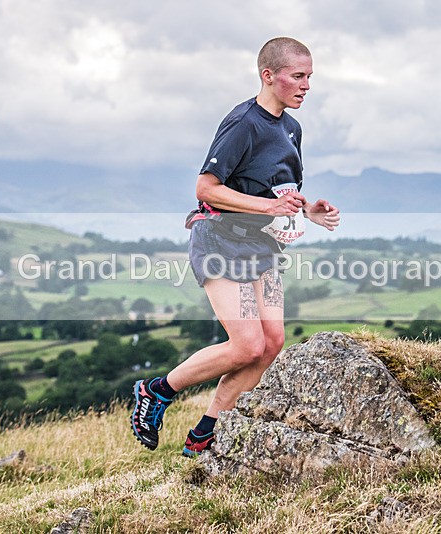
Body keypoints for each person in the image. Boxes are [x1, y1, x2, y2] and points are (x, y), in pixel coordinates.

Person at [131, 37, 340, 457]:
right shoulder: (243, 122)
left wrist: (308, 210)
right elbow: (205, 187)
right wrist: (268, 205)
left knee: (272, 343)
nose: (306, 86)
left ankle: (204, 434)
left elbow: (277, 192)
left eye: (309, 77)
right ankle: (156, 390)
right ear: (269, 75)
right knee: (247, 344)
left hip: (262, 245)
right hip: (220, 240)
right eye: (298, 77)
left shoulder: (291, 128)